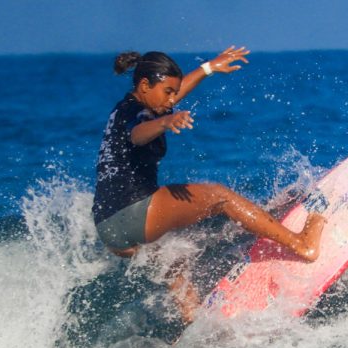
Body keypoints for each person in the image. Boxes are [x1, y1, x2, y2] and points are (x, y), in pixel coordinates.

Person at [92, 46, 325, 325]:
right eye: (167, 92)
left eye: (173, 93)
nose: (172, 100)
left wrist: (208, 68)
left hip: (108, 228)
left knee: (172, 259)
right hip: (134, 211)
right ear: (144, 85)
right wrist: (166, 122)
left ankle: (193, 319)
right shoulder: (141, 115)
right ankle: (301, 245)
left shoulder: (123, 109)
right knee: (220, 197)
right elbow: (138, 135)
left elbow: (164, 102)